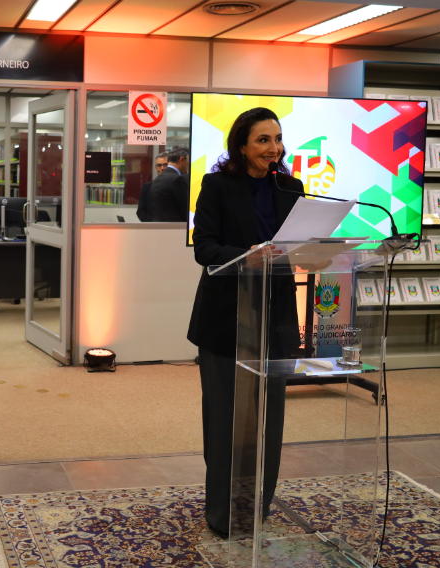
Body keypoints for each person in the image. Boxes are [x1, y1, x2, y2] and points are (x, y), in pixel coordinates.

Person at [187, 107, 301, 537]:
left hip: (276, 318)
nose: (274, 148)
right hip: (225, 316)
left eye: (277, 139)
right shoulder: (217, 185)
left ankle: (258, 507)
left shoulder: (291, 187)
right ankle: (221, 512)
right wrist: (244, 257)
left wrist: (315, 252)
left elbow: (296, 247)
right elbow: (205, 248)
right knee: (226, 419)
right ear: (241, 145)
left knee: (269, 418)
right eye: (263, 140)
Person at [136, 152, 168, 222]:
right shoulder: (147, 187)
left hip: (174, 228)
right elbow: (141, 211)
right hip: (152, 228)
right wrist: (153, 224)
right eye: (159, 165)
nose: (162, 168)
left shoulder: (178, 185)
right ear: (156, 167)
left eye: (165, 165)